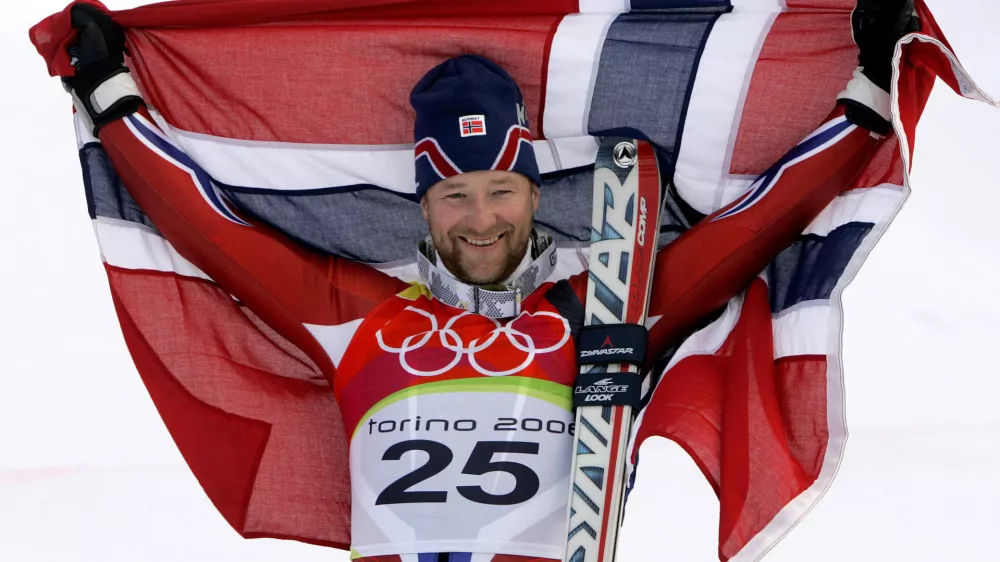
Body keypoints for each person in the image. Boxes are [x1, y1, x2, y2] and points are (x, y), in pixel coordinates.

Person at [61, 1, 916, 560]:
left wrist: (865, 98)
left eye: (500, 190)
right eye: (455, 196)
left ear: (531, 194)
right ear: (424, 210)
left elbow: (753, 226)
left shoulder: (606, 313)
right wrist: (112, 95)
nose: (481, 218)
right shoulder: (354, 319)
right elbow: (211, 229)